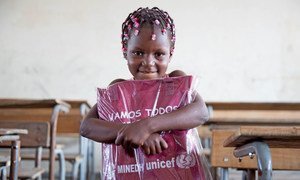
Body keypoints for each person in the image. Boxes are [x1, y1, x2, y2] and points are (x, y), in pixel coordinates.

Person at [80, 6, 209, 165]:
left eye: (159, 54)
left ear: (170, 54)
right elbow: (87, 126)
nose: (148, 63)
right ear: (125, 52)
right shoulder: (119, 90)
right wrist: (128, 131)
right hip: (129, 171)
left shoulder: (176, 82)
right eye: (138, 53)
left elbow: (201, 112)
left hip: (177, 169)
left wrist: (146, 127)